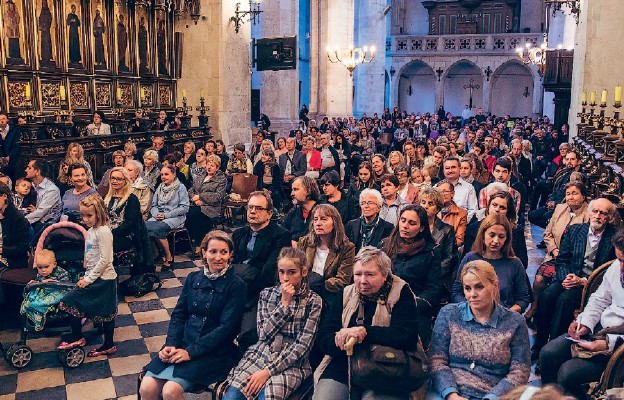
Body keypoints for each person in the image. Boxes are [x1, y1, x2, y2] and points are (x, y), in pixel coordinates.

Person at [140, 230, 247, 400]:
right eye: (213, 251)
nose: (218, 257)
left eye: (223, 252)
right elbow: (179, 315)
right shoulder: (192, 278)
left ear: (230, 254)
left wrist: (190, 352)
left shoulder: (237, 285)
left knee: (170, 391)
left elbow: (226, 328)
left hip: (214, 352)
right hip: (182, 343)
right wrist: (171, 344)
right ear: (204, 252)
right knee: (147, 387)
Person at [313, 247, 419, 400]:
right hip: (344, 361)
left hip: (385, 364)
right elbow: (324, 338)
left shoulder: (401, 292)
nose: (363, 281)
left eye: (370, 274)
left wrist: (364, 332)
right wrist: (341, 338)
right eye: (358, 274)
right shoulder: (346, 294)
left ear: (385, 275)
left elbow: (407, 336)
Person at [222, 247, 322, 400]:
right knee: (233, 396)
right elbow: (263, 334)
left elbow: (303, 347)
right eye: (281, 272)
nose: (285, 278)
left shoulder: (313, 301)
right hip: (262, 353)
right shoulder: (267, 294)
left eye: (292, 272)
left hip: (292, 363)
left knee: (267, 396)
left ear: (303, 272)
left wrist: (268, 372)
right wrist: (283, 306)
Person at [428, 260, 530, 400]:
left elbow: (520, 371)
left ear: (495, 286)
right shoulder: (449, 314)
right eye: (467, 288)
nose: (472, 294)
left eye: (479, 287)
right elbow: (437, 360)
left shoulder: (515, 322)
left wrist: (492, 397)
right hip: (450, 391)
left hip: (494, 393)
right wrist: (451, 394)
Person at [540, 230, 624, 399]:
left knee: (568, 373)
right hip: (602, 328)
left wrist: (609, 343)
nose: (621, 267)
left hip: (619, 344)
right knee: (548, 353)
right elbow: (600, 298)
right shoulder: (616, 267)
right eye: (620, 259)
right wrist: (585, 322)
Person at [533, 198, 617, 355]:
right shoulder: (575, 230)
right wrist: (566, 277)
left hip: (591, 284)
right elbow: (562, 259)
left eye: (603, 213)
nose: (598, 216)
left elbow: (607, 272)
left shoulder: (613, 238)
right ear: (589, 213)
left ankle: (553, 349)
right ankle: (539, 345)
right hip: (570, 277)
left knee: (565, 301)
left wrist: (583, 281)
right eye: (595, 211)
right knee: (547, 295)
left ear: (609, 217)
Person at [231, 191, 291, 350]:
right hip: (236, 288)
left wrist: (241, 272)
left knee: (248, 335)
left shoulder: (280, 235)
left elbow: (268, 274)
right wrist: (246, 271)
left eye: (258, 208)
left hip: (260, 293)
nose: (252, 212)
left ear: (269, 213)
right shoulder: (239, 234)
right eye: (250, 207)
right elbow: (230, 267)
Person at [58, 195, 117, 357]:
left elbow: (106, 259)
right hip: (94, 276)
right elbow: (92, 257)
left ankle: (107, 344)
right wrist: (86, 275)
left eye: (89, 215)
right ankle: (79, 337)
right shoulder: (92, 231)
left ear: (99, 213)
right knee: (99, 310)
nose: (85, 219)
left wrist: (89, 279)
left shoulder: (104, 231)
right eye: (83, 215)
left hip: (104, 279)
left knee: (104, 312)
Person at [524, 181, 589, 321]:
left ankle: (549, 314)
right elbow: (547, 233)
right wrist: (553, 250)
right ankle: (534, 307)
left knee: (555, 288)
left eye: (575, 193)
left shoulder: (589, 214)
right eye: (568, 194)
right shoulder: (560, 208)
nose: (571, 197)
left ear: (583, 196)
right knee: (540, 279)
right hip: (554, 255)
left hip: (573, 261)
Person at [381, 204, 442, 345]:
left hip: (414, 305)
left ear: (421, 228)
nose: (405, 226)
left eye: (412, 223)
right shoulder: (385, 245)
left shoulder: (431, 252)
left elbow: (433, 289)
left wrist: (412, 303)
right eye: (403, 220)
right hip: (384, 302)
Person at [452, 213, 530, 312]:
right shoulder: (470, 258)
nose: (496, 241)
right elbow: (457, 292)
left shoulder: (515, 264)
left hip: (503, 318)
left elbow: (523, 299)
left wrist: (507, 314)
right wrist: (468, 308)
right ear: (483, 234)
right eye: (492, 235)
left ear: (507, 239)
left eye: (501, 237)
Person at [297, 204, 355, 300]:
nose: (318, 223)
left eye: (323, 219)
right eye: (315, 219)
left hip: (329, 295)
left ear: (335, 223)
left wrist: (319, 283)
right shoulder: (304, 242)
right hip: (303, 292)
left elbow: (343, 280)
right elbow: (296, 268)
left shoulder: (347, 248)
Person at [105, 167, 153, 276]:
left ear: (125, 181)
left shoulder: (131, 199)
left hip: (124, 236)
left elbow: (129, 224)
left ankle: (108, 278)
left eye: (118, 179)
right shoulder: (106, 198)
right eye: (112, 178)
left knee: (103, 245)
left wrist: (110, 233)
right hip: (106, 234)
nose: (114, 181)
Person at [463, 191, 528, 268]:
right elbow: (466, 261)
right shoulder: (473, 229)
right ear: (488, 207)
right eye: (494, 205)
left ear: (508, 211)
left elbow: (523, 262)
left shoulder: (516, 230)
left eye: (502, 207)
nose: (497, 209)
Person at [145, 165, 190, 269]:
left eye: (166, 174)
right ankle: (154, 255)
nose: (163, 177)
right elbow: (153, 205)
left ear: (173, 175)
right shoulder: (160, 187)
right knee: (143, 227)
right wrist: (156, 214)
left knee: (157, 229)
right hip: (159, 216)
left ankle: (168, 256)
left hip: (175, 217)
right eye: (162, 174)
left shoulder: (180, 187)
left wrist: (166, 215)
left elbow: (184, 208)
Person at [419, 187, 457, 296]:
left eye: (430, 204)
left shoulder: (447, 229)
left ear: (438, 208)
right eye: (423, 202)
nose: (425, 206)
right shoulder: (414, 227)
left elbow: (450, 258)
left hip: (437, 279)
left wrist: (431, 273)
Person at [20, 249, 71, 330]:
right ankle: (34, 307)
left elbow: (66, 285)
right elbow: (39, 281)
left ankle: (41, 306)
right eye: (40, 267)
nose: (43, 270)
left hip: (58, 291)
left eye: (46, 267)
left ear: (54, 264)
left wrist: (53, 283)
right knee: (32, 294)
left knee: (58, 295)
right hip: (45, 290)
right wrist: (37, 282)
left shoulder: (61, 272)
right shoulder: (40, 274)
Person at [186, 154, 226, 255]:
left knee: (195, 214)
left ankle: (200, 244)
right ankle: (187, 242)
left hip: (211, 207)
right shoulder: (201, 176)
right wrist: (195, 200)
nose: (209, 167)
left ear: (217, 168)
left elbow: (217, 197)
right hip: (196, 204)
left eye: (212, 165)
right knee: (187, 213)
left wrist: (201, 197)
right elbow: (191, 190)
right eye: (208, 164)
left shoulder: (221, 179)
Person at [345, 189, 394, 253]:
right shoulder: (351, 225)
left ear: (379, 208)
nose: (366, 206)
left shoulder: (388, 228)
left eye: (370, 203)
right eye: (363, 203)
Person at [24, 160, 62, 243]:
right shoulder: (31, 186)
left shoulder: (52, 190)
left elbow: (40, 213)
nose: (25, 170)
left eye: (29, 168)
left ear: (37, 171)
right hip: (32, 220)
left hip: (45, 225)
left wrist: (20, 221)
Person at [283, 176, 320, 246]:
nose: (292, 194)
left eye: (296, 189)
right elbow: (282, 234)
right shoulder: (293, 212)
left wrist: (299, 244)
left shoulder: (322, 211)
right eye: (292, 190)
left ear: (308, 191)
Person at [0, 182, 30, 269]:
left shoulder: (18, 218)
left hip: (11, 261)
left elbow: (22, 248)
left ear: (4, 196)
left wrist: (2, 250)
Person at [436, 180, 468, 248]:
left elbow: (459, 240)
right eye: (439, 192)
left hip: (449, 249)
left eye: (445, 191)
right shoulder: (431, 210)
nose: (442, 194)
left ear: (452, 193)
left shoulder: (462, 213)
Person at [0, 112, 20, 180]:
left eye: (3, 119)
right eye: (0, 119)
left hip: (13, 159)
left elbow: (16, 145)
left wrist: (9, 157)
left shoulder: (14, 130)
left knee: (13, 177)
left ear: (7, 120)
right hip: (1, 160)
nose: (2, 121)